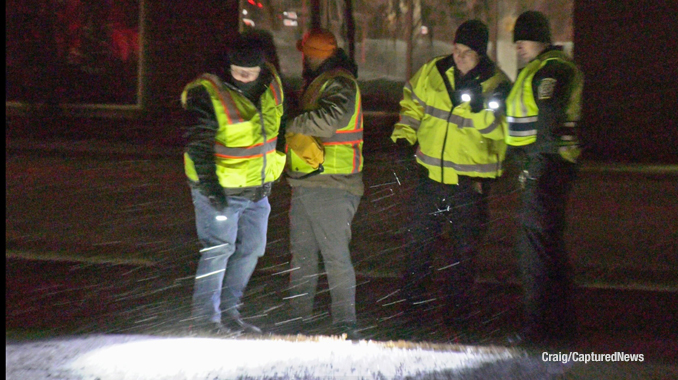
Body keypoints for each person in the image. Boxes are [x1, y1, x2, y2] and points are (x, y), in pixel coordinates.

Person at [391, 20, 511, 333]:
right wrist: (403, 136)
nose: (458, 58)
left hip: (469, 185)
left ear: (481, 54)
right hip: (430, 178)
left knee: (463, 256)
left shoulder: (497, 84)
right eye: (456, 50)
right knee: (418, 248)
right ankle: (412, 315)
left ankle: (457, 320)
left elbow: (501, 133)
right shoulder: (433, 71)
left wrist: (477, 107)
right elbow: (411, 106)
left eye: (467, 53)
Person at [180, 32, 287, 335]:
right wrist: (212, 190)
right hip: (220, 189)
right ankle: (206, 321)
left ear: (262, 67)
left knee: (252, 249)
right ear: (228, 64)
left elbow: (280, 123)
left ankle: (229, 314)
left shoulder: (272, 83)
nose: (243, 77)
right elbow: (198, 145)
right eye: (238, 71)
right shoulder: (207, 92)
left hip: (258, 189)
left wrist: (277, 159)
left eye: (250, 72)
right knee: (218, 249)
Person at [506, 11, 584, 347]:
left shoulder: (552, 70)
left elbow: (548, 120)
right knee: (547, 247)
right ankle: (558, 326)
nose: (518, 47)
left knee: (536, 251)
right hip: (544, 167)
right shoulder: (540, 68)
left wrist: (531, 163)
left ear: (539, 38)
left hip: (545, 168)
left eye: (523, 40)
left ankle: (539, 330)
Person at [284, 28, 364, 339]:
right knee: (303, 256)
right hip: (309, 182)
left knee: (333, 257)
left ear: (314, 55)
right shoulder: (325, 80)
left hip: (332, 184)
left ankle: (344, 322)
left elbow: (328, 121)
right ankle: (298, 318)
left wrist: (290, 124)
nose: (303, 57)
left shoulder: (339, 82)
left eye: (306, 53)